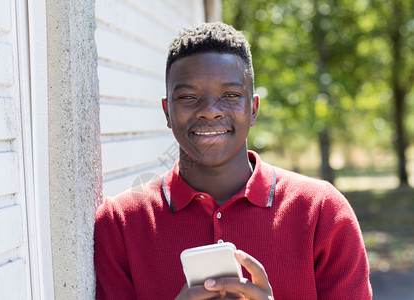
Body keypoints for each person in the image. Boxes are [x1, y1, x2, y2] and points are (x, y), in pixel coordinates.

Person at [94, 22, 372, 299]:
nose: (210, 111)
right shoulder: (119, 223)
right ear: (167, 112)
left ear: (253, 109)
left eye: (230, 95)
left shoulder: (321, 211)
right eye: (188, 97)